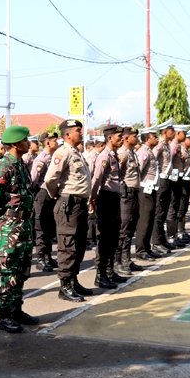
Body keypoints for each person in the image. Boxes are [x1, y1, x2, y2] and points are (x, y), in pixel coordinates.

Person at [0, 126, 39, 334]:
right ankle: (4, 315)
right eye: (26, 140)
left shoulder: (21, 164)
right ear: (16, 144)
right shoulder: (3, 166)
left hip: (23, 225)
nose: (29, 142)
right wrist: (4, 220)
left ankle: (16, 310)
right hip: (10, 226)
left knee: (21, 269)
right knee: (8, 270)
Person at [43, 119, 93, 302]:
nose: (81, 133)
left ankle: (73, 280)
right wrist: (59, 195)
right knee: (68, 246)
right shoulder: (62, 152)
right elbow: (50, 179)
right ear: (68, 134)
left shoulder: (76, 153)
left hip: (79, 204)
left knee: (79, 244)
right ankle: (64, 286)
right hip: (68, 203)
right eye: (78, 130)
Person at [90, 125, 127, 289]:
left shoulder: (114, 155)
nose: (122, 139)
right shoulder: (104, 156)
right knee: (104, 237)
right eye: (119, 136)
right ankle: (101, 275)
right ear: (110, 138)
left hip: (114, 197)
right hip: (105, 198)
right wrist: (92, 198)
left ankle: (110, 271)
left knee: (113, 236)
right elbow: (96, 178)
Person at [31, 132, 59, 272]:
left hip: (51, 194)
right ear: (47, 143)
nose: (57, 142)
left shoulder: (53, 157)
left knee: (49, 227)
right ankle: (41, 258)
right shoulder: (41, 159)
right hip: (42, 194)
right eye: (54, 140)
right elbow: (34, 179)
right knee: (41, 227)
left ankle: (48, 256)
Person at [115, 127, 141, 275]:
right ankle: (118, 261)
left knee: (131, 227)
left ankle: (127, 259)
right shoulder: (122, 153)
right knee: (123, 228)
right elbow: (117, 173)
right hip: (126, 194)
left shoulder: (132, 153)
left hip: (134, 193)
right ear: (126, 138)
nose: (136, 138)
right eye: (133, 136)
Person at [134, 127, 161, 260]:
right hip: (145, 189)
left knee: (150, 219)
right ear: (147, 139)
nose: (157, 139)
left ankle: (147, 248)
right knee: (144, 220)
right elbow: (138, 171)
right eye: (154, 136)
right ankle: (140, 250)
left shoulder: (150, 151)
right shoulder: (143, 152)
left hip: (151, 189)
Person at [151, 121, 176, 254]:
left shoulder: (166, 145)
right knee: (159, 212)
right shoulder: (159, 145)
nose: (174, 133)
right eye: (172, 130)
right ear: (165, 132)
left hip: (167, 180)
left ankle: (162, 239)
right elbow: (152, 160)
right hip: (161, 180)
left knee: (164, 210)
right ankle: (156, 242)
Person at [165, 125, 189, 248]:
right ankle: (171, 236)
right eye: (183, 133)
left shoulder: (178, 145)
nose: (185, 136)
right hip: (173, 178)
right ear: (178, 133)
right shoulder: (173, 145)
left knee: (177, 205)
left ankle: (175, 234)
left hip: (179, 177)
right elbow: (169, 162)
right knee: (173, 207)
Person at [176, 133, 190, 242]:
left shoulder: (187, 151)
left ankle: (182, 230)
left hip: (187, 181)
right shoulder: (181, 150)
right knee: (180, 207)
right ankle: (178, 232)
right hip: (182, 180)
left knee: (184, 207)